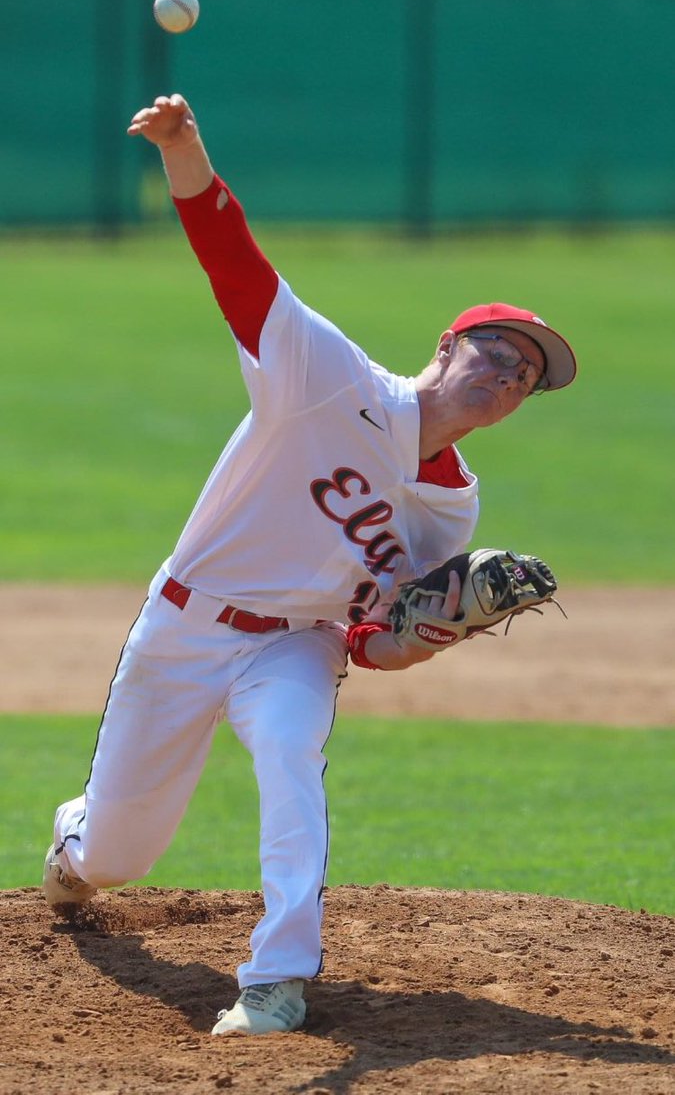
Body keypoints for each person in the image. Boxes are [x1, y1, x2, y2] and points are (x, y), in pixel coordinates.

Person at [43, 94, 577, 1037]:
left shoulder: (452, 505)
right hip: (184, 625)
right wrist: (184, 150)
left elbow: (375, 631)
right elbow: (234, 262)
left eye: (523, 378)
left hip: (296, 645)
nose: (505, 376)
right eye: (495, 352)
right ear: (445, 348)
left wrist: (423, 638)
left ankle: (274, 981)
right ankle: (75, 843)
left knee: (291, 756)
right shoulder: (326, 375)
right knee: (117, 859)